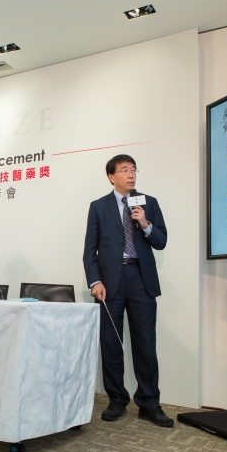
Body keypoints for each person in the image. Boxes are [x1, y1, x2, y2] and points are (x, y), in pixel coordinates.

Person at [83, 154, 173, 427]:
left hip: (141, 277)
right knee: (111, 342)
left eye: (133, 169)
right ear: (111, 176)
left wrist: (145, 224)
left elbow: (162, 241)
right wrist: (95, 281)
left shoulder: (148, 203)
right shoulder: (98, 207)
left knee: (145, 342)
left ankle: (149, 403)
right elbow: (90, 250)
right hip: (110, 282)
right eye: (124, 170)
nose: (131, 174)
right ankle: (117, 400)